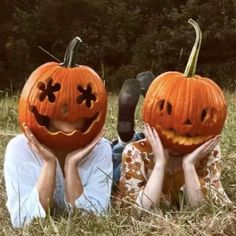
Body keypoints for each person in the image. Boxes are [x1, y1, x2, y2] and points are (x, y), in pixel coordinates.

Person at [112, 71, 231, 209]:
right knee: (117, 160)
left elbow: (203, 210)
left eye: (202, 116)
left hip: (158, 137)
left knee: (155, 134)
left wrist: (189, 165)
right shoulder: (136, 152)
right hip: (150, 146)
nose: (187, 125)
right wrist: (159, 164)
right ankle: (126, 136)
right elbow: (138, 211)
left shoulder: (206, 151)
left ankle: (160, 102)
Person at [4, 119, 113, 228]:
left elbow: (95, 219)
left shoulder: (100, 148)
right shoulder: (20, 148)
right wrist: (49, 163)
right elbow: (22, 220)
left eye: (77, 101)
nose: (69, 109)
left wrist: (72, 164)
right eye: (62, 101)